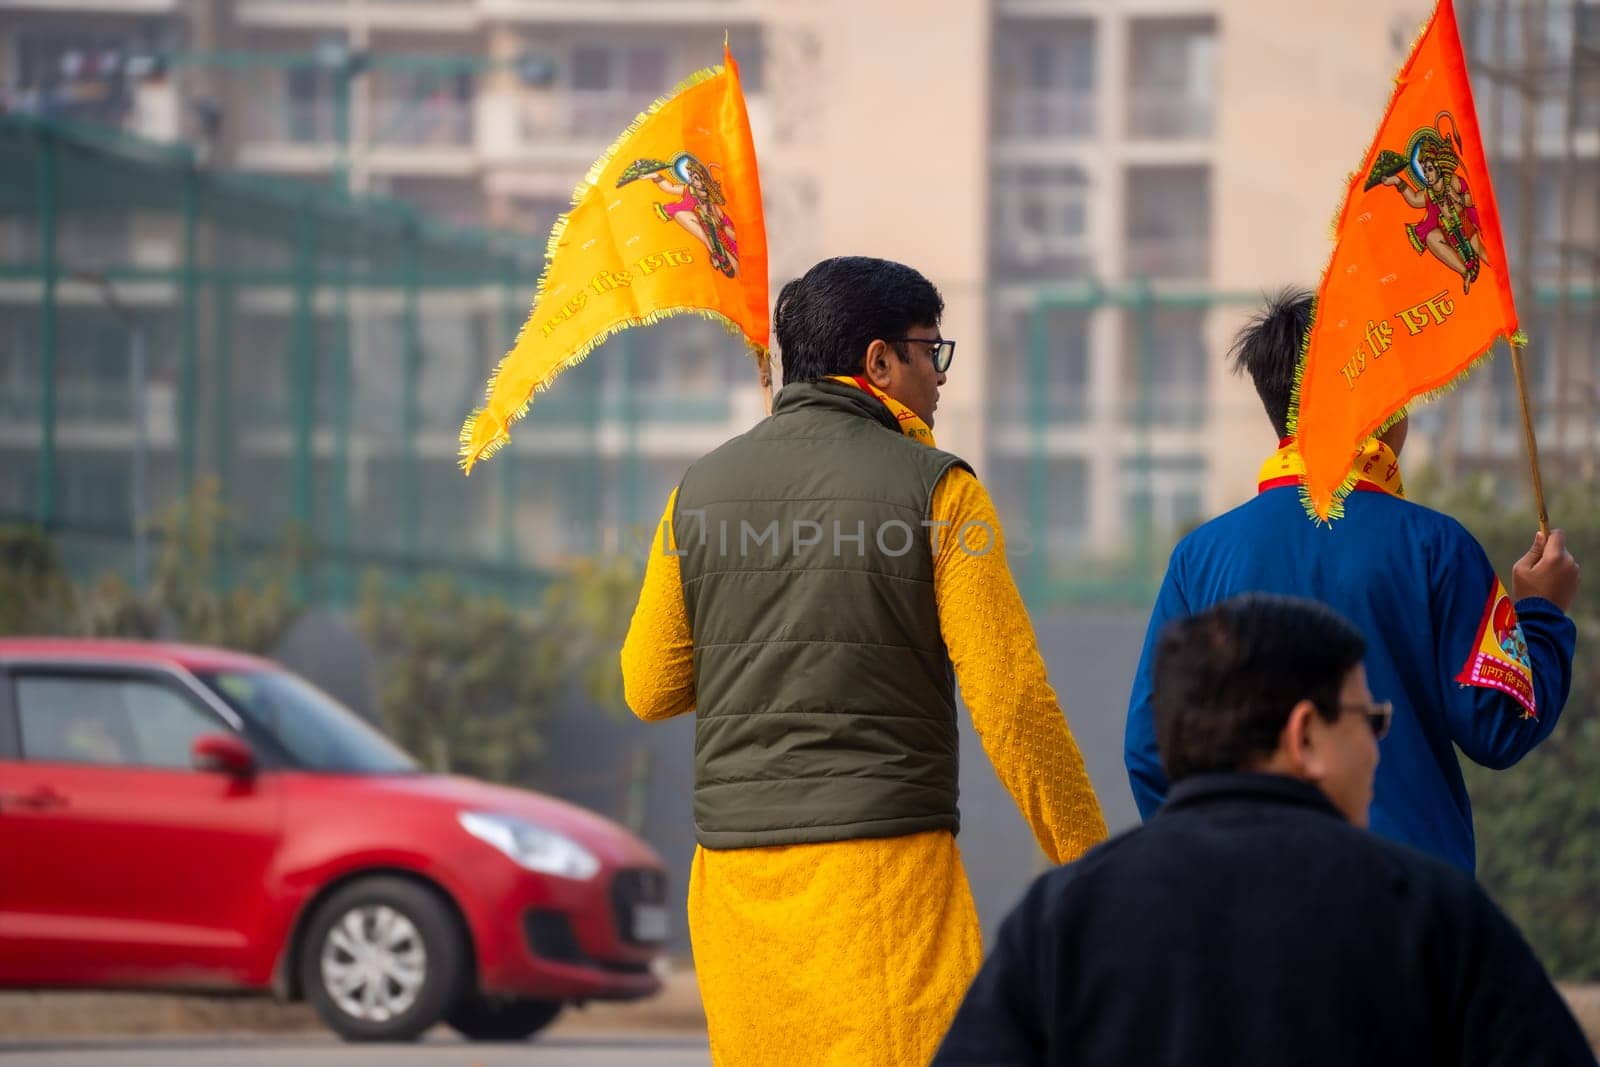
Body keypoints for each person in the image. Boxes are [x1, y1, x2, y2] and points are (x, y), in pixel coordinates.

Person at [621, 255, 1107, 1066]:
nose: (941, 379)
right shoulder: (940, 489)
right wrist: (1096, 865)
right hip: (884, 877)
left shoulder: (697, 492)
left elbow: (650, 686)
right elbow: (1012, 699)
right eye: (932, 351)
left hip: (738, 892)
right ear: (880, 361)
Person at [935, 594, 1595, 1066]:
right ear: (1305, 734)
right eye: (1372, 719)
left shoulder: (1062, 917)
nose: (1376, 747)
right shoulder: (1428, 911)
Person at [1124, 288, 1580, 873]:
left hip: (1250, 904)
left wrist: (1211, 870)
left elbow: (1149, 749)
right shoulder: (1437, 547)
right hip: (1410, 905)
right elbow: (1499, 725)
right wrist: (1541, 614)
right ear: (1381, 406)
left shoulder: (1199, 558)